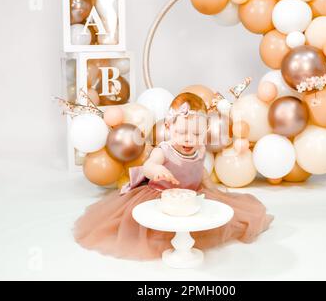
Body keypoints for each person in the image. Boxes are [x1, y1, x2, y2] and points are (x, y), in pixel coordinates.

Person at [74, 93, 273, 260]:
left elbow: (199, 170)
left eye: (196, 134)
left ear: (204, 132)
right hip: (161, 194)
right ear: (169, 128)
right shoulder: (164, 150)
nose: (189, 138)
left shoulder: (200, 149)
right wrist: (156, 171)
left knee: (208, 219)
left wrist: (210, 186)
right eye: (182, 132)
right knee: (156, 227)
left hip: (192, 195)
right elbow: (148, 166)